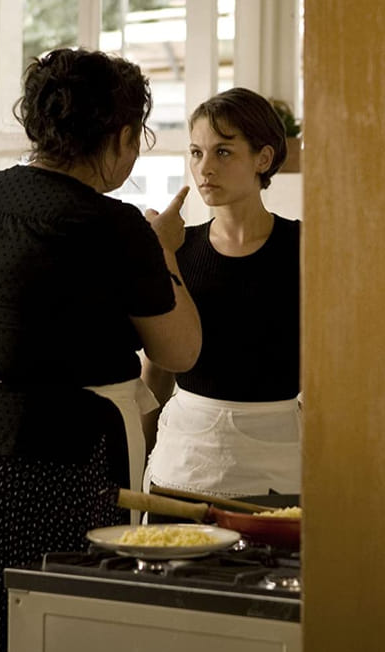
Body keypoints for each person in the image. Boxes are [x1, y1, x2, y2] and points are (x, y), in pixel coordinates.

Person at [0, 48, 200, 652]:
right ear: (121, 135)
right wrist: (163, 251)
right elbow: (181, 350)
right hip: (50, 461)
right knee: (45, 641)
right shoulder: (112, 225)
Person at [141, 87, 301, 500]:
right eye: (196, 153)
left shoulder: (304, 248)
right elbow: (157, 370)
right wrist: (136, 459)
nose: (205, 168)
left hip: (279, 461)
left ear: (263, 159)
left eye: (223, 152)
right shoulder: (177, 249)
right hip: (184, 460)